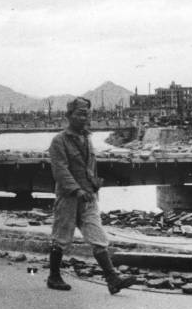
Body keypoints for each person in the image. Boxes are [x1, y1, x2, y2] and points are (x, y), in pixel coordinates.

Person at [47, 97, 136, 294]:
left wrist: (93, 185)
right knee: (61, 236)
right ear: (69, 116)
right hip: (69, 197)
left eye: (86, 114)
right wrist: (76, 189)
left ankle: (112, 278)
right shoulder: (59, 140)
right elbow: (60, 170)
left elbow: (90, 166)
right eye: (79, 113)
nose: (83, 117)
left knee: (97, 236)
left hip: (88, 196)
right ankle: (53, 276)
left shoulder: (87, 138)